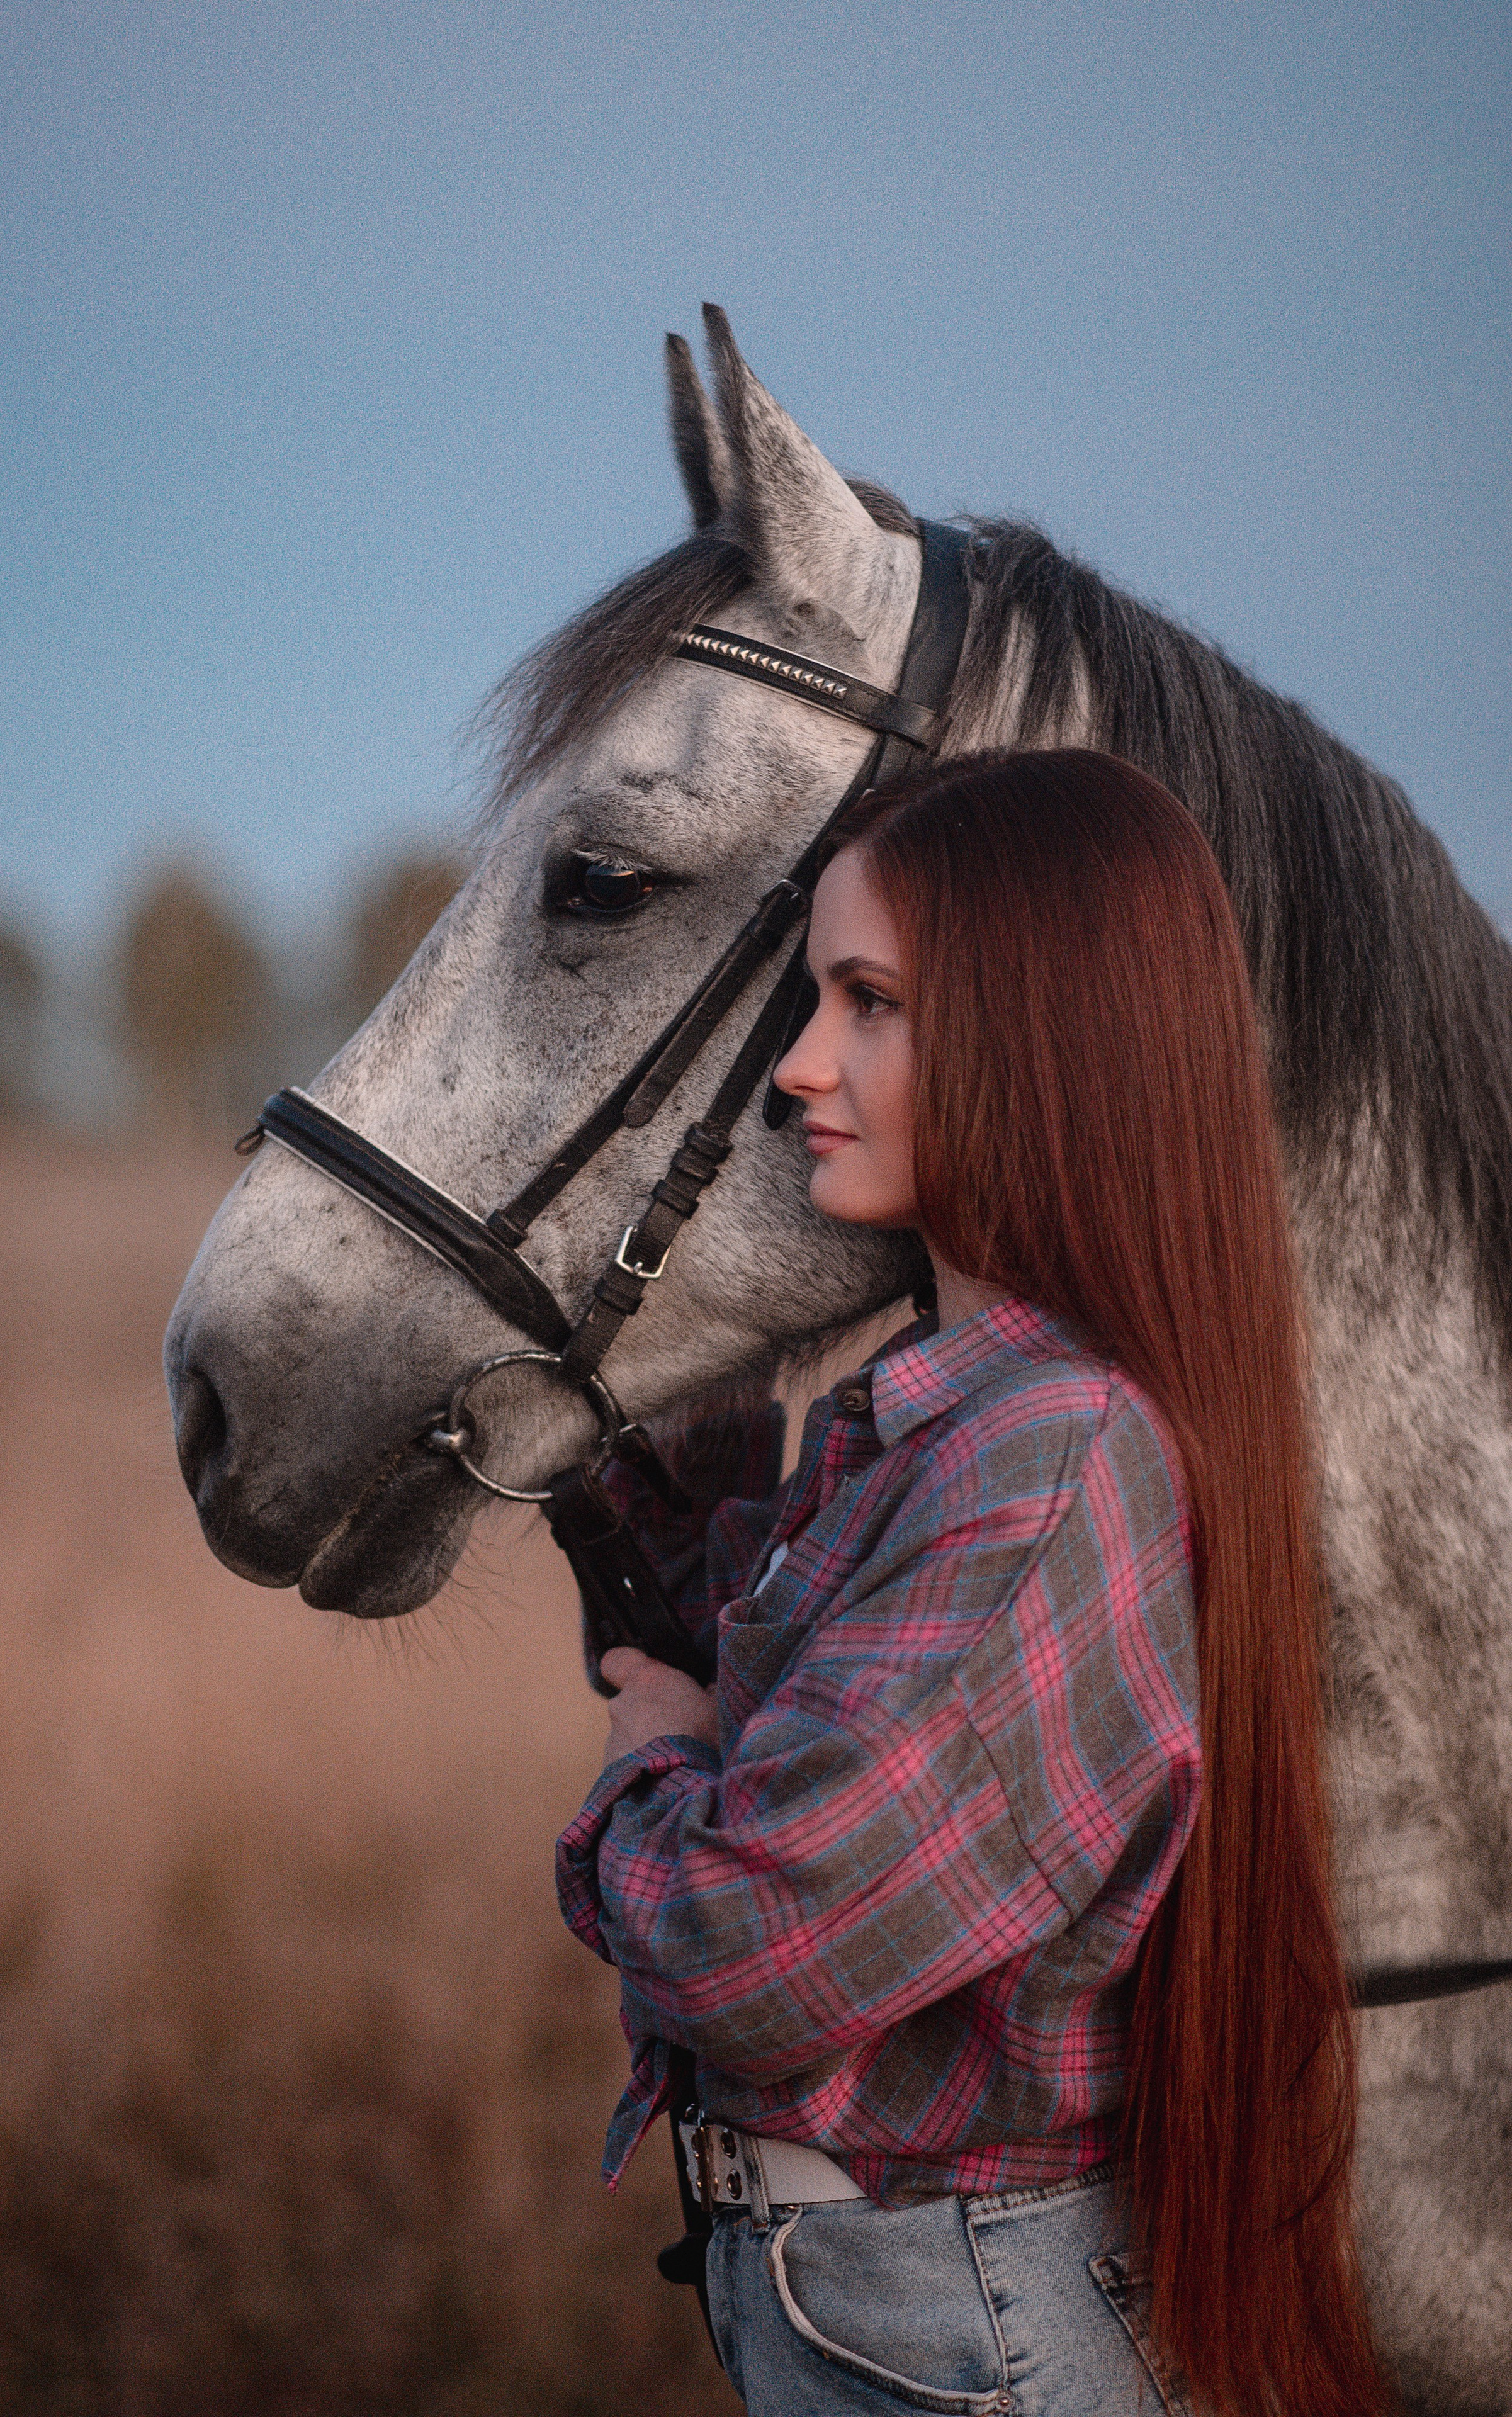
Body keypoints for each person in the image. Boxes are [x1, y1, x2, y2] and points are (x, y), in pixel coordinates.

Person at [556, 750, 1389, 2417]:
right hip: (897, 2305)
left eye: (871, 1005)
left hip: (949, 2334)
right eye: (816, 1001)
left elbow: (748, 1951)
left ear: (1043, 1041)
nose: (801, 1066)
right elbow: (834, 1717)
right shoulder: (962, 1416)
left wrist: (652, 1751)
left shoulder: (1045, 1455)